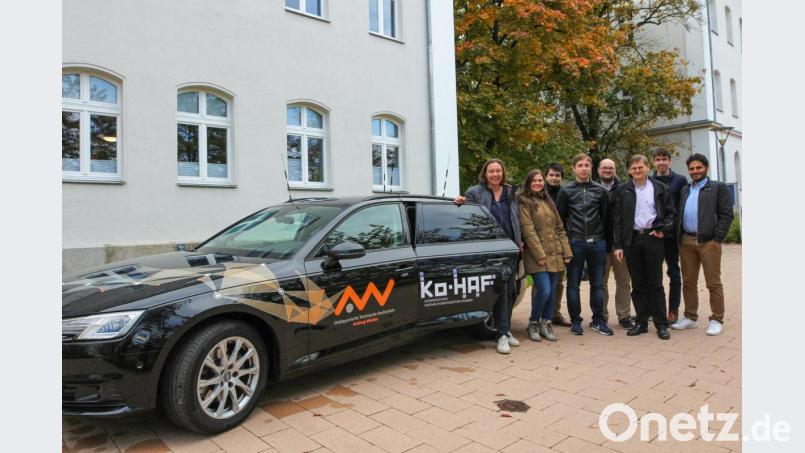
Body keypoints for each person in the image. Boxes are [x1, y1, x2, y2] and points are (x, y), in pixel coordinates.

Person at [454, 158, 523, 353]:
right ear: (485, 173)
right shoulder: (475, 192)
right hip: (490, 250)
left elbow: (516, 218)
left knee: (510, 290)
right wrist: (460, 202)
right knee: (500, 291)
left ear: (503, 173)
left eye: (498, 171)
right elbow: (467, 216)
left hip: (511, 247)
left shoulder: (511, 192)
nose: (495, 174)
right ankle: (501, 334)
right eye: (491, 171)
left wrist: (520, 241)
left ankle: (506, 330)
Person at [612, 155, 676, 340]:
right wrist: (617, 245)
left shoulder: (660, 188)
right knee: (638, 284)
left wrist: (664, 230)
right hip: (631, 240)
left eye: (641, 167)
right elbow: (617, 220)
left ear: (647, 167)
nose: (637, 171)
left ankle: (661, 324)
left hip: (653, 237)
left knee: (655, 283)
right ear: (629, 171)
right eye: (634, 168)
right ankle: (641, 322)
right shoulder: (623, 190)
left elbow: (671, 213)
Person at [671, 154, 734, 336]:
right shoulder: (685, 189)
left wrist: (717, 238)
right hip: (686, 241)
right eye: (692, 168)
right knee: (688, 282)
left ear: (706, 168)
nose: (695, 171)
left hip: (708, 242)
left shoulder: (717, 187)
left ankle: (716, 319)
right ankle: (690, 317)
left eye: (698, 168)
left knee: (713, 283)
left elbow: (726, 214)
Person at [556, 153, 613, 336]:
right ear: (573, 168)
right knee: (573, 284)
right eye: (579, 165)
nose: (583, 168)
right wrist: (564, 245)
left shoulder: (600, 190)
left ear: (591, 168)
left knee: (598, 284)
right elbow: (560, 220)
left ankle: (598, 320)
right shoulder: (566, 191)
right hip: (575, 242)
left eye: (586, 165)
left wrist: (606, 241)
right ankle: (575, 321)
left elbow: (607, 218)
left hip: (597, 242)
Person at [518, 169, 572, 342]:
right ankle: (533, 322)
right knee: (544, 290)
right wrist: (540, 255)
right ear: (528, 183)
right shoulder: (524, 202)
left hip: (556, 253)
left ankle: (545, 323)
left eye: (540, 180)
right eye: (534, 180)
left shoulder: (548, 200)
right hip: (537, 255)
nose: (537, 183)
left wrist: (566, 252)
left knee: (553, 291)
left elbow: (560, 228)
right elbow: (528, 231)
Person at [650, 148, 688, 323]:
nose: (661, 162)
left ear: (670, 161)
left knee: (673, 272)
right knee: (652, 273)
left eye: (664, 159)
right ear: (653, 162)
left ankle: (673, 310)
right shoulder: (648, 180)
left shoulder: (680, 181)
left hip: (672, 236)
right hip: (653, 235)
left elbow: (682, 207)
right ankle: (654, 309)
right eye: (658, 159)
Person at [597, 158, 634, 329]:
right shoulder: (592, 189)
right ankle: (601, 315)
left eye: (610, 168)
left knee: (623, 281)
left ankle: (624, 315)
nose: (607, 170)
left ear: (615, 169)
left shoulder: (625, 188)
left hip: (620, 244)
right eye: (604, 168)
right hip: (600, 243)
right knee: (600, 282)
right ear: (598, 170)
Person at [545, 163, 571, 327]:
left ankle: (555, 313)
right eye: (551, 175)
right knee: (541, 282)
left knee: (559, 281)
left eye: (557, 176)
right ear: (546, 176)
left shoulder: (565, 193)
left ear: (561, 178)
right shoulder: (538, 192)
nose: (554, 178)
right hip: (542, 242)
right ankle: (539, 316)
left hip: (560, 242)